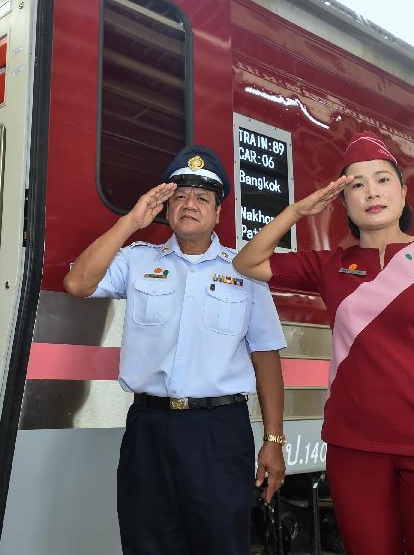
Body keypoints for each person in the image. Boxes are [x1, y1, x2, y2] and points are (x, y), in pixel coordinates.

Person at [233, 131, 414, 555]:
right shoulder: (330, 266)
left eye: (382, 180)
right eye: (356, 185)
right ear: (343, 202)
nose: (371, 192)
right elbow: (247, 261)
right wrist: (299, 211)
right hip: (354, 445)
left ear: (403, 192)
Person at [63, 146, 287, 555]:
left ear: (218, 213)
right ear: (166, 209)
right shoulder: (137, 260)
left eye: (202, 197)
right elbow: (78, 284)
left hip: (219, 432)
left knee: (221, 544)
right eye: (180, 196)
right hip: (149, 429)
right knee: (147, 542)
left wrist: (274, 439)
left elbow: (266, 355)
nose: (189, 204)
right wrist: (130, 222)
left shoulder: (244, 271)